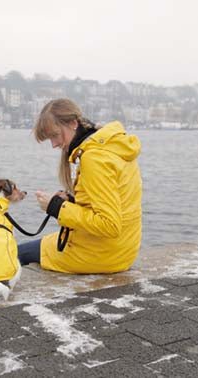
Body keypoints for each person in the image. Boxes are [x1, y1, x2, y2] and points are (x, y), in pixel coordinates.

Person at [17, 98, 142, 273]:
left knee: (14, 253)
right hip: (122, 250)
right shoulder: (111, 148)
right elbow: (109, 201)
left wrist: (57, 208)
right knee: (32, 247)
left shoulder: (93, 159)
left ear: (73, 123)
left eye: (54, 135)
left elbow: (110, 225)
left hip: (100, 254)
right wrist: (71, 200)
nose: (53, 144)